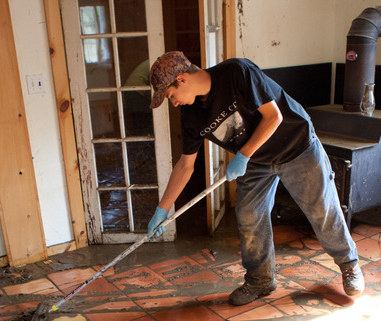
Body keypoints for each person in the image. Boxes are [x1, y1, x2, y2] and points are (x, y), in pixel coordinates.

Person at [146, 51, 363, 306]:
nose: (173, 103)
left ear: (181, 79)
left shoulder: (237, 73)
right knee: (249, 217)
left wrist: (242, 156)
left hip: (295, 144)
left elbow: (274, 117)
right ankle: (260, 280)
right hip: (256, 160)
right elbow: (185, 165)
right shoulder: (191, 115)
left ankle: (349, 265)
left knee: (322, 210)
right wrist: (162, 209)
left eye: (171, 96)